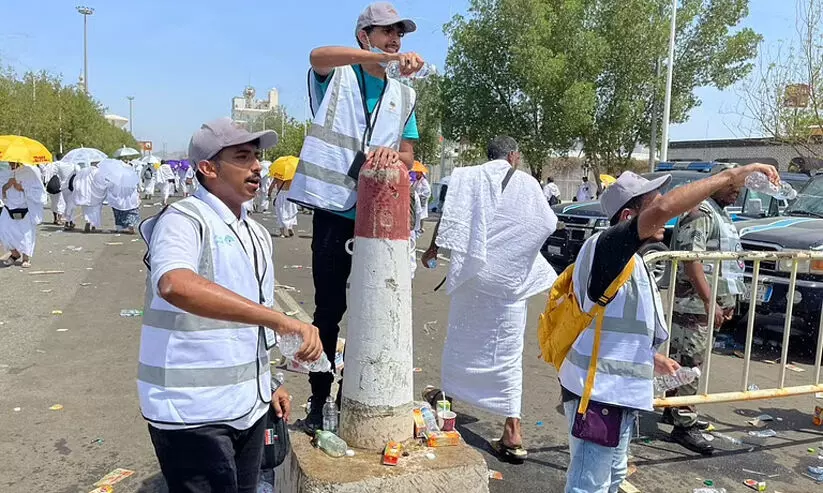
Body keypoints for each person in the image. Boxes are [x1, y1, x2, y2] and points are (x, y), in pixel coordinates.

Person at [558, 164, 778, 493]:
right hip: (597, 394)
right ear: (628, 217)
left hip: (617, 394)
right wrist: (731, 176)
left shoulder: (634, 260)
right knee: (590, 485)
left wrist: (651, 358)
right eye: (654, 205)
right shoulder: (606, 247)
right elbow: (665, 208)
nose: (665, 215)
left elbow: (613, 323)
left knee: (613, 477)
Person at [138, 117, 323, 493]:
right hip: (191, 411)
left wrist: (268, 383)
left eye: (256, 156)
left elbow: (251, 318)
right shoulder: (184, 219)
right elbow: (174, 284)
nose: (257, 166)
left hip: (246, 406)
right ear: (208, 168)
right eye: (242, 157)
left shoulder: (256, 233)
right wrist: (280, 321)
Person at [287, 1, 423, 430]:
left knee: (372, 305)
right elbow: (316, 56)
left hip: (376, 219)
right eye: (386, 31)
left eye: (399, 33)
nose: (395, 39)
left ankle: (354, 392)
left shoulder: (404, 94)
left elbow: (408, 154)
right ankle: (319, 396)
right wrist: (380, 59)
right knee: (329, 310)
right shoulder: (338, 76)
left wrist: (393, 155)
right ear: (364, 36)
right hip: (333, 209)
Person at [421, 137, 558, 462]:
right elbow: (546, 223)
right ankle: (512, 432)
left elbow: (451, 218)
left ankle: (446, 407)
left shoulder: (467, 177)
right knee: (507, 352)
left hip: (473, 277)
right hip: (509, 284)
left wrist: (433, 249)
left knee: (461, 343)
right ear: (513, 156)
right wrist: (515, 256)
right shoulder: (527, 183)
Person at [663, 164, 746, 454]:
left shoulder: (719, 214)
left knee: (685, 359)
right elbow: (692, 260)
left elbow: (724, 263)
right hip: (693, 304)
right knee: (690, 362)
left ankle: (673, 408)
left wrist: (727, 300)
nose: (736, 192)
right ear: (715, 183)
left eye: (739, 188)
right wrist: (711, 301)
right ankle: (683, 424)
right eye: (731, 186)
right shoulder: (701, 214)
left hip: (706, 303)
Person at [0, 162, 47, 268]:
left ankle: (26, 258)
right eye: (9, 161)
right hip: (8, 207)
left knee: (26, 234)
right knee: (3, 231)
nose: (11, 163)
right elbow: (2, 192)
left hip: (25, 208)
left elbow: (39, 192)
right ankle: (15, 254)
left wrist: (21, 188)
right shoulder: (4, 172)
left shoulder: (31, 171)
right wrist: (6, 186)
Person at [104, 158, 142, 234]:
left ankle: (119, 227)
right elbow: (135, 186)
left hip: (118, 198)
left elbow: (109, 186)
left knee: (118, 213)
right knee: (131, 212)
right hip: (129, 198)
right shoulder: (130, 175)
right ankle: (131, 225)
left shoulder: (114, 176)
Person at [71, 160, 106, 233]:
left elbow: (75, 182)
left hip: (84, 194)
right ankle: (93, 225)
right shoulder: (98, 172)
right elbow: (101, 183)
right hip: (95, 195)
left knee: (86, 210)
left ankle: (88, 222)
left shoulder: (83, 171)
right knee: (95, 210)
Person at [57, 159, 80, 230]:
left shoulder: (60, 166)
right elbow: (78, 171)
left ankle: (71, 221)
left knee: (68, 204)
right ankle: (68, 221)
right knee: (71, 205)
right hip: (71, 187)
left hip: (64, 188)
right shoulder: (74, 166)